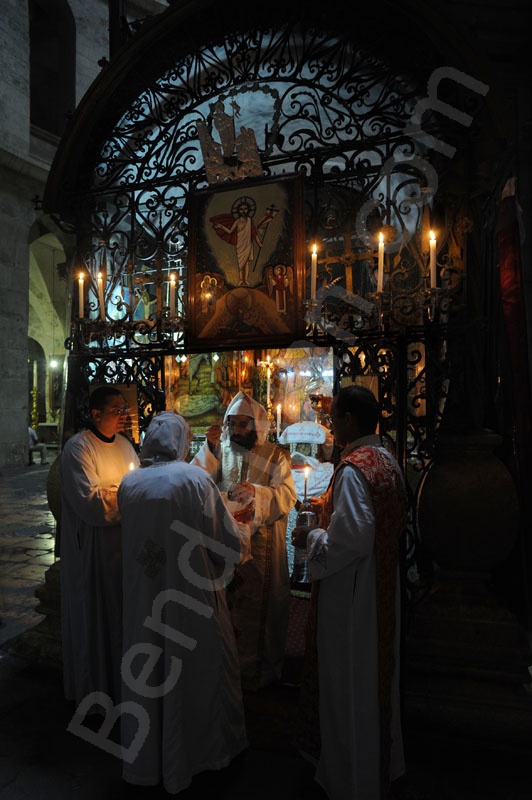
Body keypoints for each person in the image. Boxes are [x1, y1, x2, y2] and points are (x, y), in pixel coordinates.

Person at [117, 411, 249, 794]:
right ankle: (200, 757)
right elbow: (224, 541)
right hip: (191, 601)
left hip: (144, 601)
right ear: (181, 441)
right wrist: (243, 532)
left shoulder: (130, 484)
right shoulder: (194, 479)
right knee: (197, 675)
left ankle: (147, 763)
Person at [292, 384, 408, 800]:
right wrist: (329, 507)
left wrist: (311, 534)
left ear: (347, 420)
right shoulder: (385, 460)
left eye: (333, 416)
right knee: (374, 680)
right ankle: (378, 767)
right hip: (379, 588)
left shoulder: (354, 467)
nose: (329, 423)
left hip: (354, 597)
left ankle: (351, 779)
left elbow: (352, 538)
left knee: (349, 682)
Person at [193, 391, 297, 690]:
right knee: (226, 612)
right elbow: (198, 481)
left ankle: (261, 675)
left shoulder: (276, 456)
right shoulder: (220, 450)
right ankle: (225, 672)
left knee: (261, 612)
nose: (237, 431)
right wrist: (210, 447)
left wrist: (257, 493)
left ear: (258, 426)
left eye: (244, 425)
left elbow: (288, 496)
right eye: (233, 424)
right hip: (225, 549)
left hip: (264, 547)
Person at [59, 385, 139, 711]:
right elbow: (92, 504)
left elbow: (136, 485)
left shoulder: (125, 446)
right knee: (94, 620)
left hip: (122, 549)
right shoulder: (78, 448)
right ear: (96, 414)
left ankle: (121, 691)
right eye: (117, 410)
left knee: (118, 619)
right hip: (92, 551)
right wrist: (129, 495)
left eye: (124, 409)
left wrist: (122, 492)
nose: (125, 415)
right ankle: (96, 698)